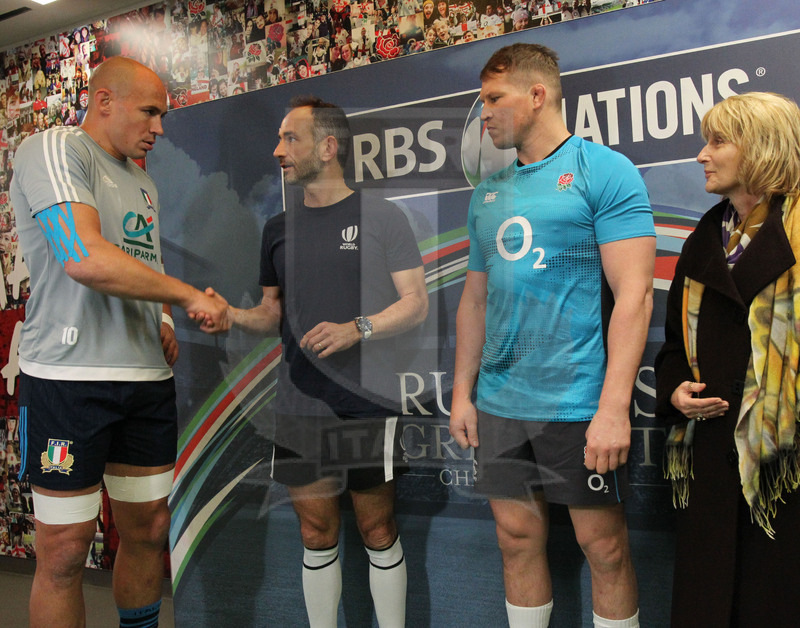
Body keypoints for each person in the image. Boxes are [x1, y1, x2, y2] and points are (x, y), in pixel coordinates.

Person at [8, 56, 228, 628]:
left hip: (144, 382)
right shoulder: (56, 150)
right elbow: (83, 257)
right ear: (105, 102)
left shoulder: (143, 179)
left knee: (149, 529)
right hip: (66, 383)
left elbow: (137, 258)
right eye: (150, 112)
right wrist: (186, 295)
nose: (159, 128)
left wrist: (159, 315)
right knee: (64, 547)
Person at [450, 43, 654, 628]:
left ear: (537, 96)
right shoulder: (486, 194)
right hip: (501, 404)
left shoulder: (604, 171)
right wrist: (464, 394)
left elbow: (635, 296)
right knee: (515, 539)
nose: (483, 113)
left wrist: (613, 408)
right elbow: (474, 300)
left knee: (606, 550)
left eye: (493, 99)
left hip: (577, 402)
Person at [211, 96, 428, 627]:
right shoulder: (277, 229)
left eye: (291, 139)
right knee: (315, 534)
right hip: (300, 402)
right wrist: (231, 317)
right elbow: (270, 315)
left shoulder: (383, 216)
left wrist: (360, 328)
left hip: (366, 401)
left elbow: (416, 304)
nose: (278, 150)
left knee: (377, 531)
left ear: (328, 147)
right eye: (280, 139)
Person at [654, 92, 800, 627]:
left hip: (786, 468)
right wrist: (673, 391)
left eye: (717, 142)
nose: (701, 155)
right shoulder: (703, 238)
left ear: (761, 148)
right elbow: (673, 345)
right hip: (712, 463)